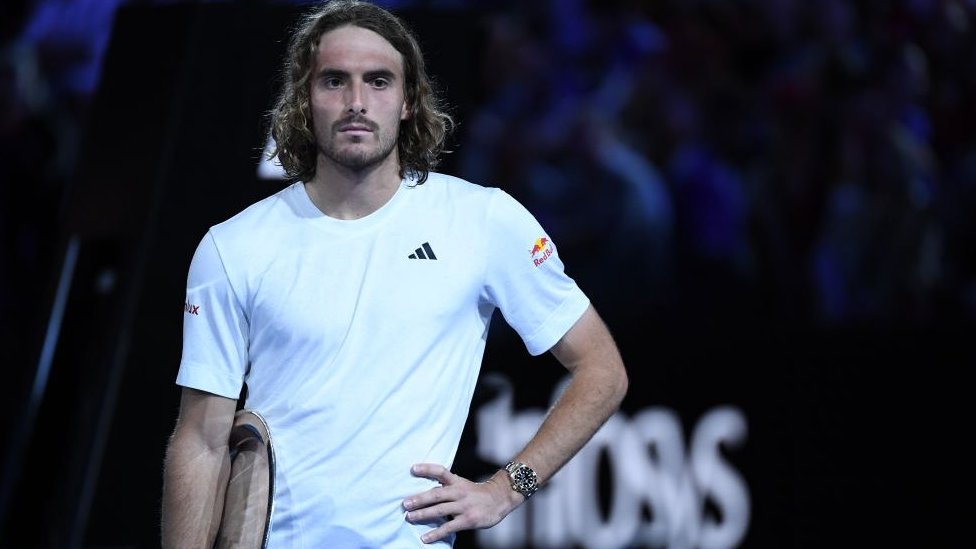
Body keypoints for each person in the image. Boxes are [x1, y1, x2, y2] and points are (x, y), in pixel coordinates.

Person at [160, 0, 628, 547]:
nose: (356, 102)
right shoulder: (233, 246)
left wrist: (507, 488)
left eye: (378, 82)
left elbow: (602, 370)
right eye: (334, 81)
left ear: (408, 102)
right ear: (304, 99)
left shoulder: (482, 220)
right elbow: (202, 439)